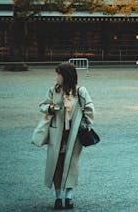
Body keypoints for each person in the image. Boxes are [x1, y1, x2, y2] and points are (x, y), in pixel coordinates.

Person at [38, 62, 95, 210]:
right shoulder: (53, 90)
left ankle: (69, 197)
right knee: (56, 164)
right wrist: (50, 107)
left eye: (59, 74)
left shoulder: (81, 91)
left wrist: (85, 124)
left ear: (66, 76)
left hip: (74, 134)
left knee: (71, 165)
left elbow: (89, 108)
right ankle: (58, 197)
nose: (56, 77)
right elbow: (42, 106)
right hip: (57, 132)